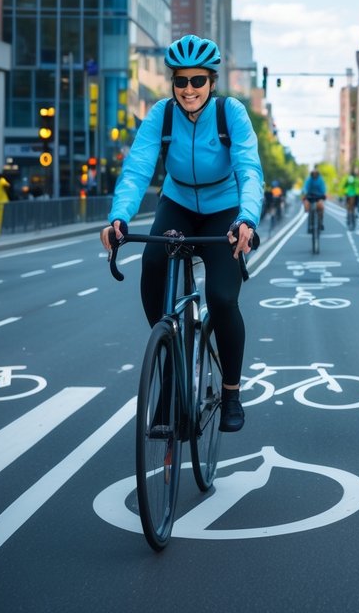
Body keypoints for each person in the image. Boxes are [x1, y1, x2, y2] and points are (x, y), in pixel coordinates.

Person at [100, 35, 263, 433]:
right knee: (153, 263)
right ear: (172, 83)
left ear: (211, 83)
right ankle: (170, 357)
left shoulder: (231, 113)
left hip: (223, 207)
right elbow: (138, 167)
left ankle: (230, 393)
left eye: (197, 81)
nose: (188, 89)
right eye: (181, 81)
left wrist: (246, 219)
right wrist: (119, 217)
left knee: (223, 298)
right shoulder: (161, 114)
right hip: (176, 204)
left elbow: (249, 168)